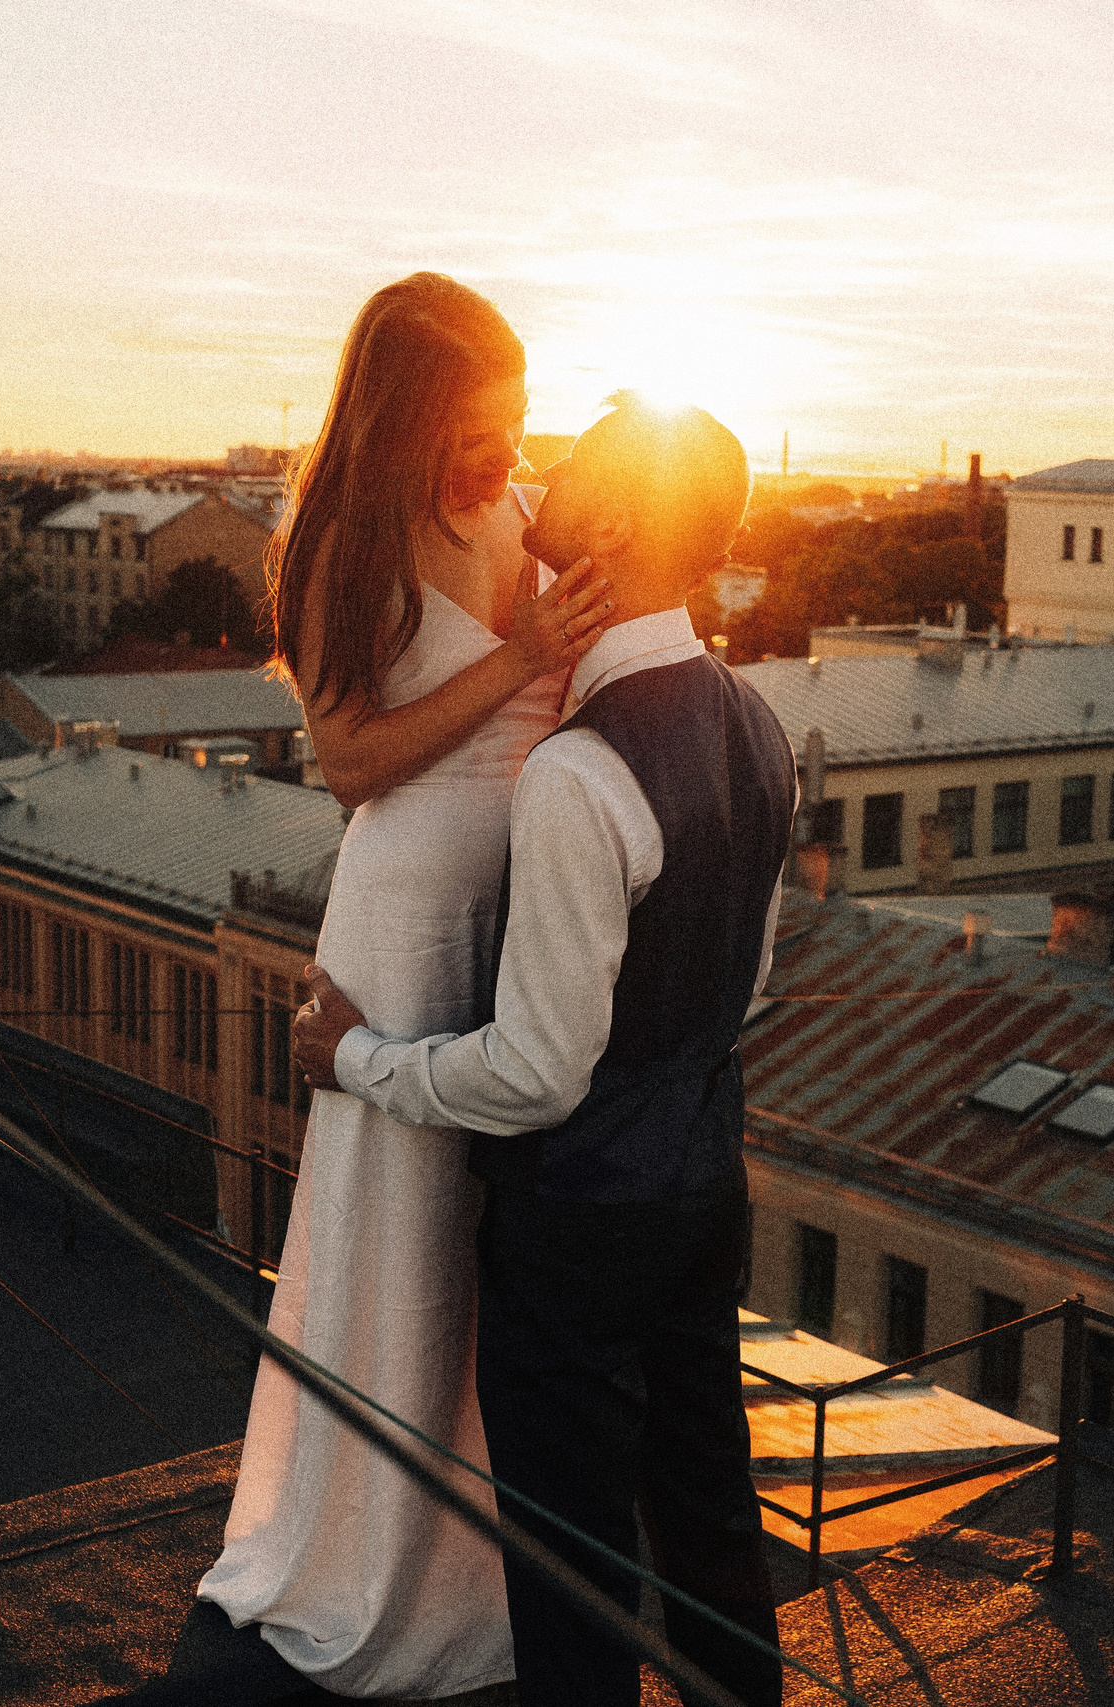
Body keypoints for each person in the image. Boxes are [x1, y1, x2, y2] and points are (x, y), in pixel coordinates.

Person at [292, 394, 794, 1707]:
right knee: (709, 1521)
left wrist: (358, 1059)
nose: (538, 480)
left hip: (576, 1229)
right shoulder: (757, 727)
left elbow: (534, 1076)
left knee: (571, 1581)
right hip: (701, 1190)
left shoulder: (578, 774)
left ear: (618, 523)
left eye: (569, 471)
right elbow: (748, 982)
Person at [196, 273, 615, 1699]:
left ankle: (490, 1546)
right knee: (411, 1237)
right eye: (475, 431)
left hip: (521, 902)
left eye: (516, 421)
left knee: (505, 1246)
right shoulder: (334, 544)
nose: (502, 452)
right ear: (399, 421)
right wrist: (522, 658)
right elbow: (352, 766)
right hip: (411, 914)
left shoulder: (516, 501)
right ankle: (379, 1564)